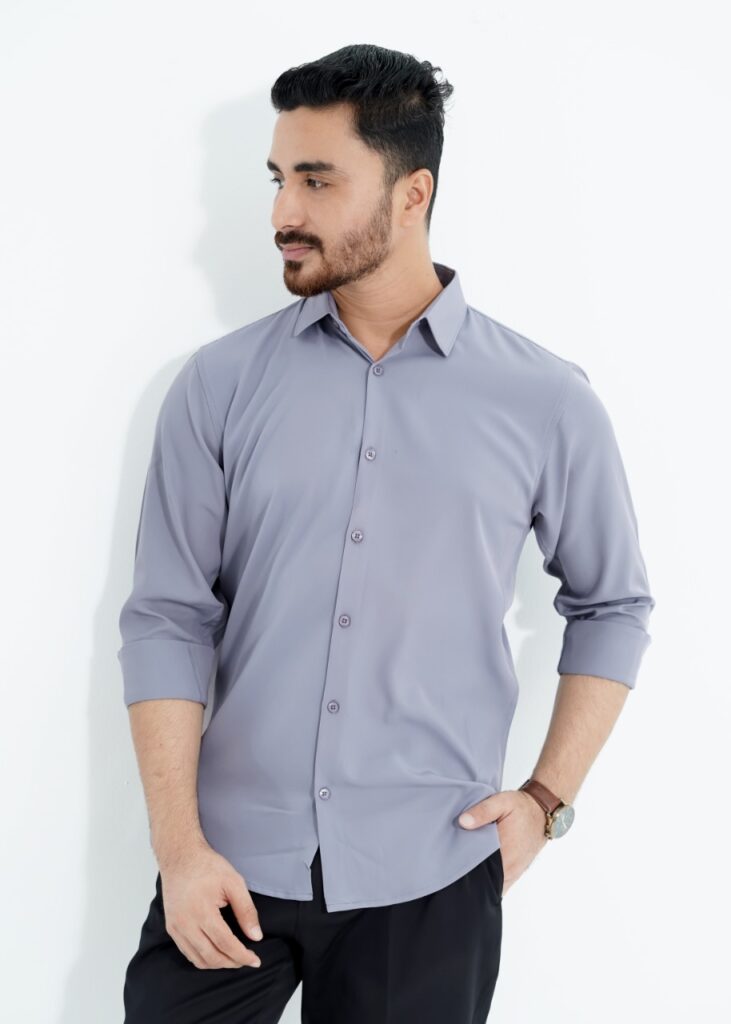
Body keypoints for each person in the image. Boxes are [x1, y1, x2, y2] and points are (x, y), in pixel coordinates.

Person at [118, 43, 655, 1024]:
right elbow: (166, 617)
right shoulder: (219, 385)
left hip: (429, 872)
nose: (283, 212)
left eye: (317, 181)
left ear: (413, 194)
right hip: (227, 866)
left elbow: (613, 605)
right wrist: (178, 849)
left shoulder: (544, 399)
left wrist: (545, 800)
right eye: (279, 178)